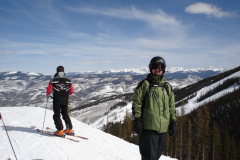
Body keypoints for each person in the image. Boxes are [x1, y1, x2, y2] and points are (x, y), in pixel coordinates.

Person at [132, 56, 177, 160]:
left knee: (156, 157)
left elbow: (171, 107)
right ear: (151, 68)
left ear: (163, 69)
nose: (158, 69)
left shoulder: (167, 87)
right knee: (149, 157)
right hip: (148, 130)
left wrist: (173, 123)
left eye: (160, 67)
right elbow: (136, 103)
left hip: (162, 131)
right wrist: (137, 120)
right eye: (155, 66)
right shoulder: (145, 84)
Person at [46, 66, 74, 137]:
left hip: (57, 99)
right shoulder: (68, 80)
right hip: (65, 100)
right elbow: (71, 91)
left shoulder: (53, 80)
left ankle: (60, 130)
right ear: (63, 71)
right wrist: (66, 94)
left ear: (57, 71)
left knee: (57, 115)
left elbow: (49, 89)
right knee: (65, 114)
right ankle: (69, 129)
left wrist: (48, 95)